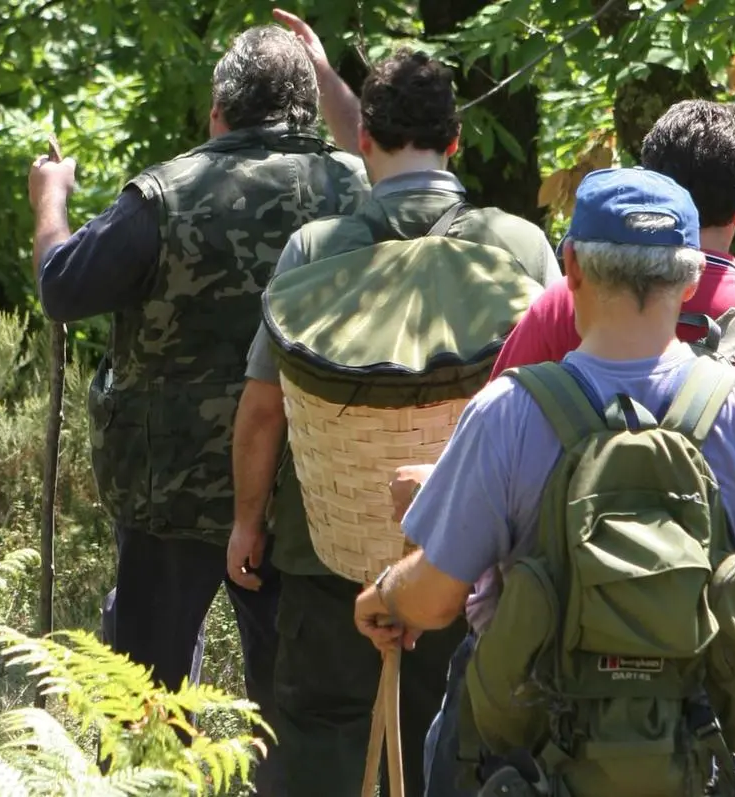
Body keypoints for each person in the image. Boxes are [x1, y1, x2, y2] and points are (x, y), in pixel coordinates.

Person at [356, 167, 735, 795]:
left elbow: (435, 599)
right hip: (693, 760)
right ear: (688, 280)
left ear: (571, 267)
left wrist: (385, 596)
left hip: (534, 765)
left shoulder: (508, 412)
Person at [28, 23, 369, 793]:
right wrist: (330, 78)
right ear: (309, 109)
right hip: (307, 494)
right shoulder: (357, 189)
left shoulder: (165, 194)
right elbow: (390, 150)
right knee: (289, 708)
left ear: (219, 110)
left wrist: (50, 203)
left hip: (169, 490)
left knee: (143, 696)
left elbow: (61, 289)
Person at [228, 38, 562, 797]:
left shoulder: (314, 250)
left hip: (330, 563)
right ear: (456, 143)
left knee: (322, 748)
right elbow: (551, 403)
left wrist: (248, 521)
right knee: (464, 747)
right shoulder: (521, 246)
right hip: (474, 565)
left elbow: (262, 407)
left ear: (364, 141)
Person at [392, 100, 735, 583]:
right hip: (720, 641)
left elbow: (485, 482)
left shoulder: (565, 306)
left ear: (647, 184)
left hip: (559, 635)